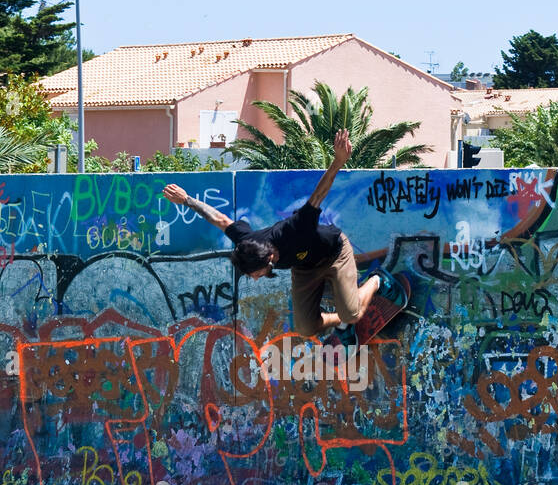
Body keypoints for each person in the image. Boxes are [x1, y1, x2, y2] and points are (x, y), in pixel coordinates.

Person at [161, 129, 401, 338]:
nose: (254, 278)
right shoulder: (248, 244)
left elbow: (318, 195)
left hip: (335, 252)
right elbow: (220, 220)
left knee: (353, 312)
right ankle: (342, 323)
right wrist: (187, 200)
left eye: (255, 273)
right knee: (306, 328)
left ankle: (378, 280)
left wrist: (338, 161)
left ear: (269, 259)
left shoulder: (293, 229)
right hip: (305, 268)